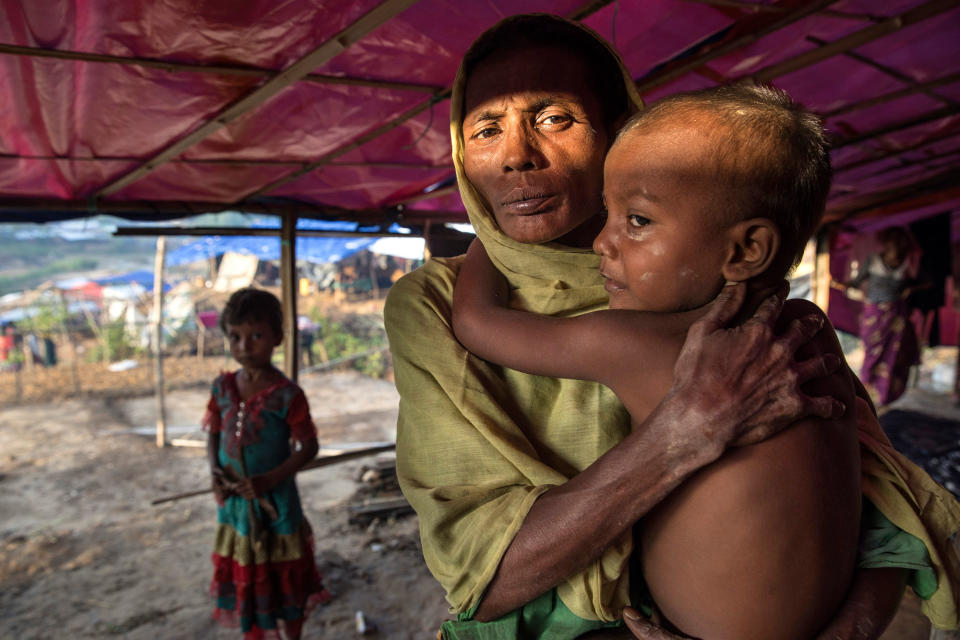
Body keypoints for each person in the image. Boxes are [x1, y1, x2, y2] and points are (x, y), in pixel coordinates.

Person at [384, 13, 960, 640]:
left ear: (616, 132)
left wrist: (846, 629)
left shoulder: (768, 333)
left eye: (554, 118)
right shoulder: (429, 305)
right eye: (487, 128)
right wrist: (685, 431)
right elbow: (484, 581)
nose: (518, 156)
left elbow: (878, 497)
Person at [451, 83, 865, 639]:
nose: (603, 241)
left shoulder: (638, 343)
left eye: (637, 221)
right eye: (609, 213)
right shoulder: (810, 332)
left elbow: (478, 325)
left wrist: (491, 237)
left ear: (744, 251)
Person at [203, 287, 331, 640]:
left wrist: (269, 480)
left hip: (276, 504)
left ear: (277, 337)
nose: (245, 345)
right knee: (249, 576)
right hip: (236, 506)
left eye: (256, 336)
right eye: (236, 336)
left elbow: (309, 446)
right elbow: (213, 433)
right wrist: (214, 470)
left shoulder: (288, 395)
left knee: (284, 578)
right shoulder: (222, 388)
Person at [845, 226, 926, 405]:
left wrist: (910, 289)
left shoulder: (907, 264)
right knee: (872, 353)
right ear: (886, 245)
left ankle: (884, 396)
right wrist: (845, 284)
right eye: (893, 243)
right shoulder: (872, 261)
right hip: (874, 315)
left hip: (896, 316)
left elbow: (926, 283)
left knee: (893, 356)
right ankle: (865, 394)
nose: (896, 247)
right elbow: (856, 282)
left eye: (900, 243)